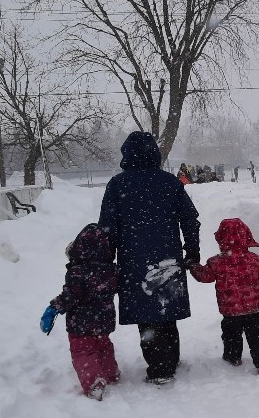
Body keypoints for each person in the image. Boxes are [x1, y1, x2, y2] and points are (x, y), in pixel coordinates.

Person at [98, 131, 201, 385]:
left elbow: (107, 227)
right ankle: (171, 359)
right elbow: (190, 219)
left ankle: (159, 368)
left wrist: (106, 260)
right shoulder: (170, 183)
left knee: (146, 316)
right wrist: (192, 250)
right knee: (167, 309)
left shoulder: (118, 184)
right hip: (168, 257)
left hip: (134, 261)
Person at [39, 223, 119, 401]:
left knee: (83, 352)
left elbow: (71, 296)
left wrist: (54, 308)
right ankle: (111, 373)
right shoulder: (110, 270)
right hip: (104, 320)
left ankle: (94, 383)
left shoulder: (77, 272)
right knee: (103, 346)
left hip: (81, 323)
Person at [189, 218, 259, 377]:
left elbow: (204, 276)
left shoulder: (216, 262)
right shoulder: (255, 259)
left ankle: (233, 357)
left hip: (230, 311)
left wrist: (193, 266)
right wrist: (256, 290)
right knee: (257, 335)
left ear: (221, 238)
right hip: (255, 308)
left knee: (231, 334)